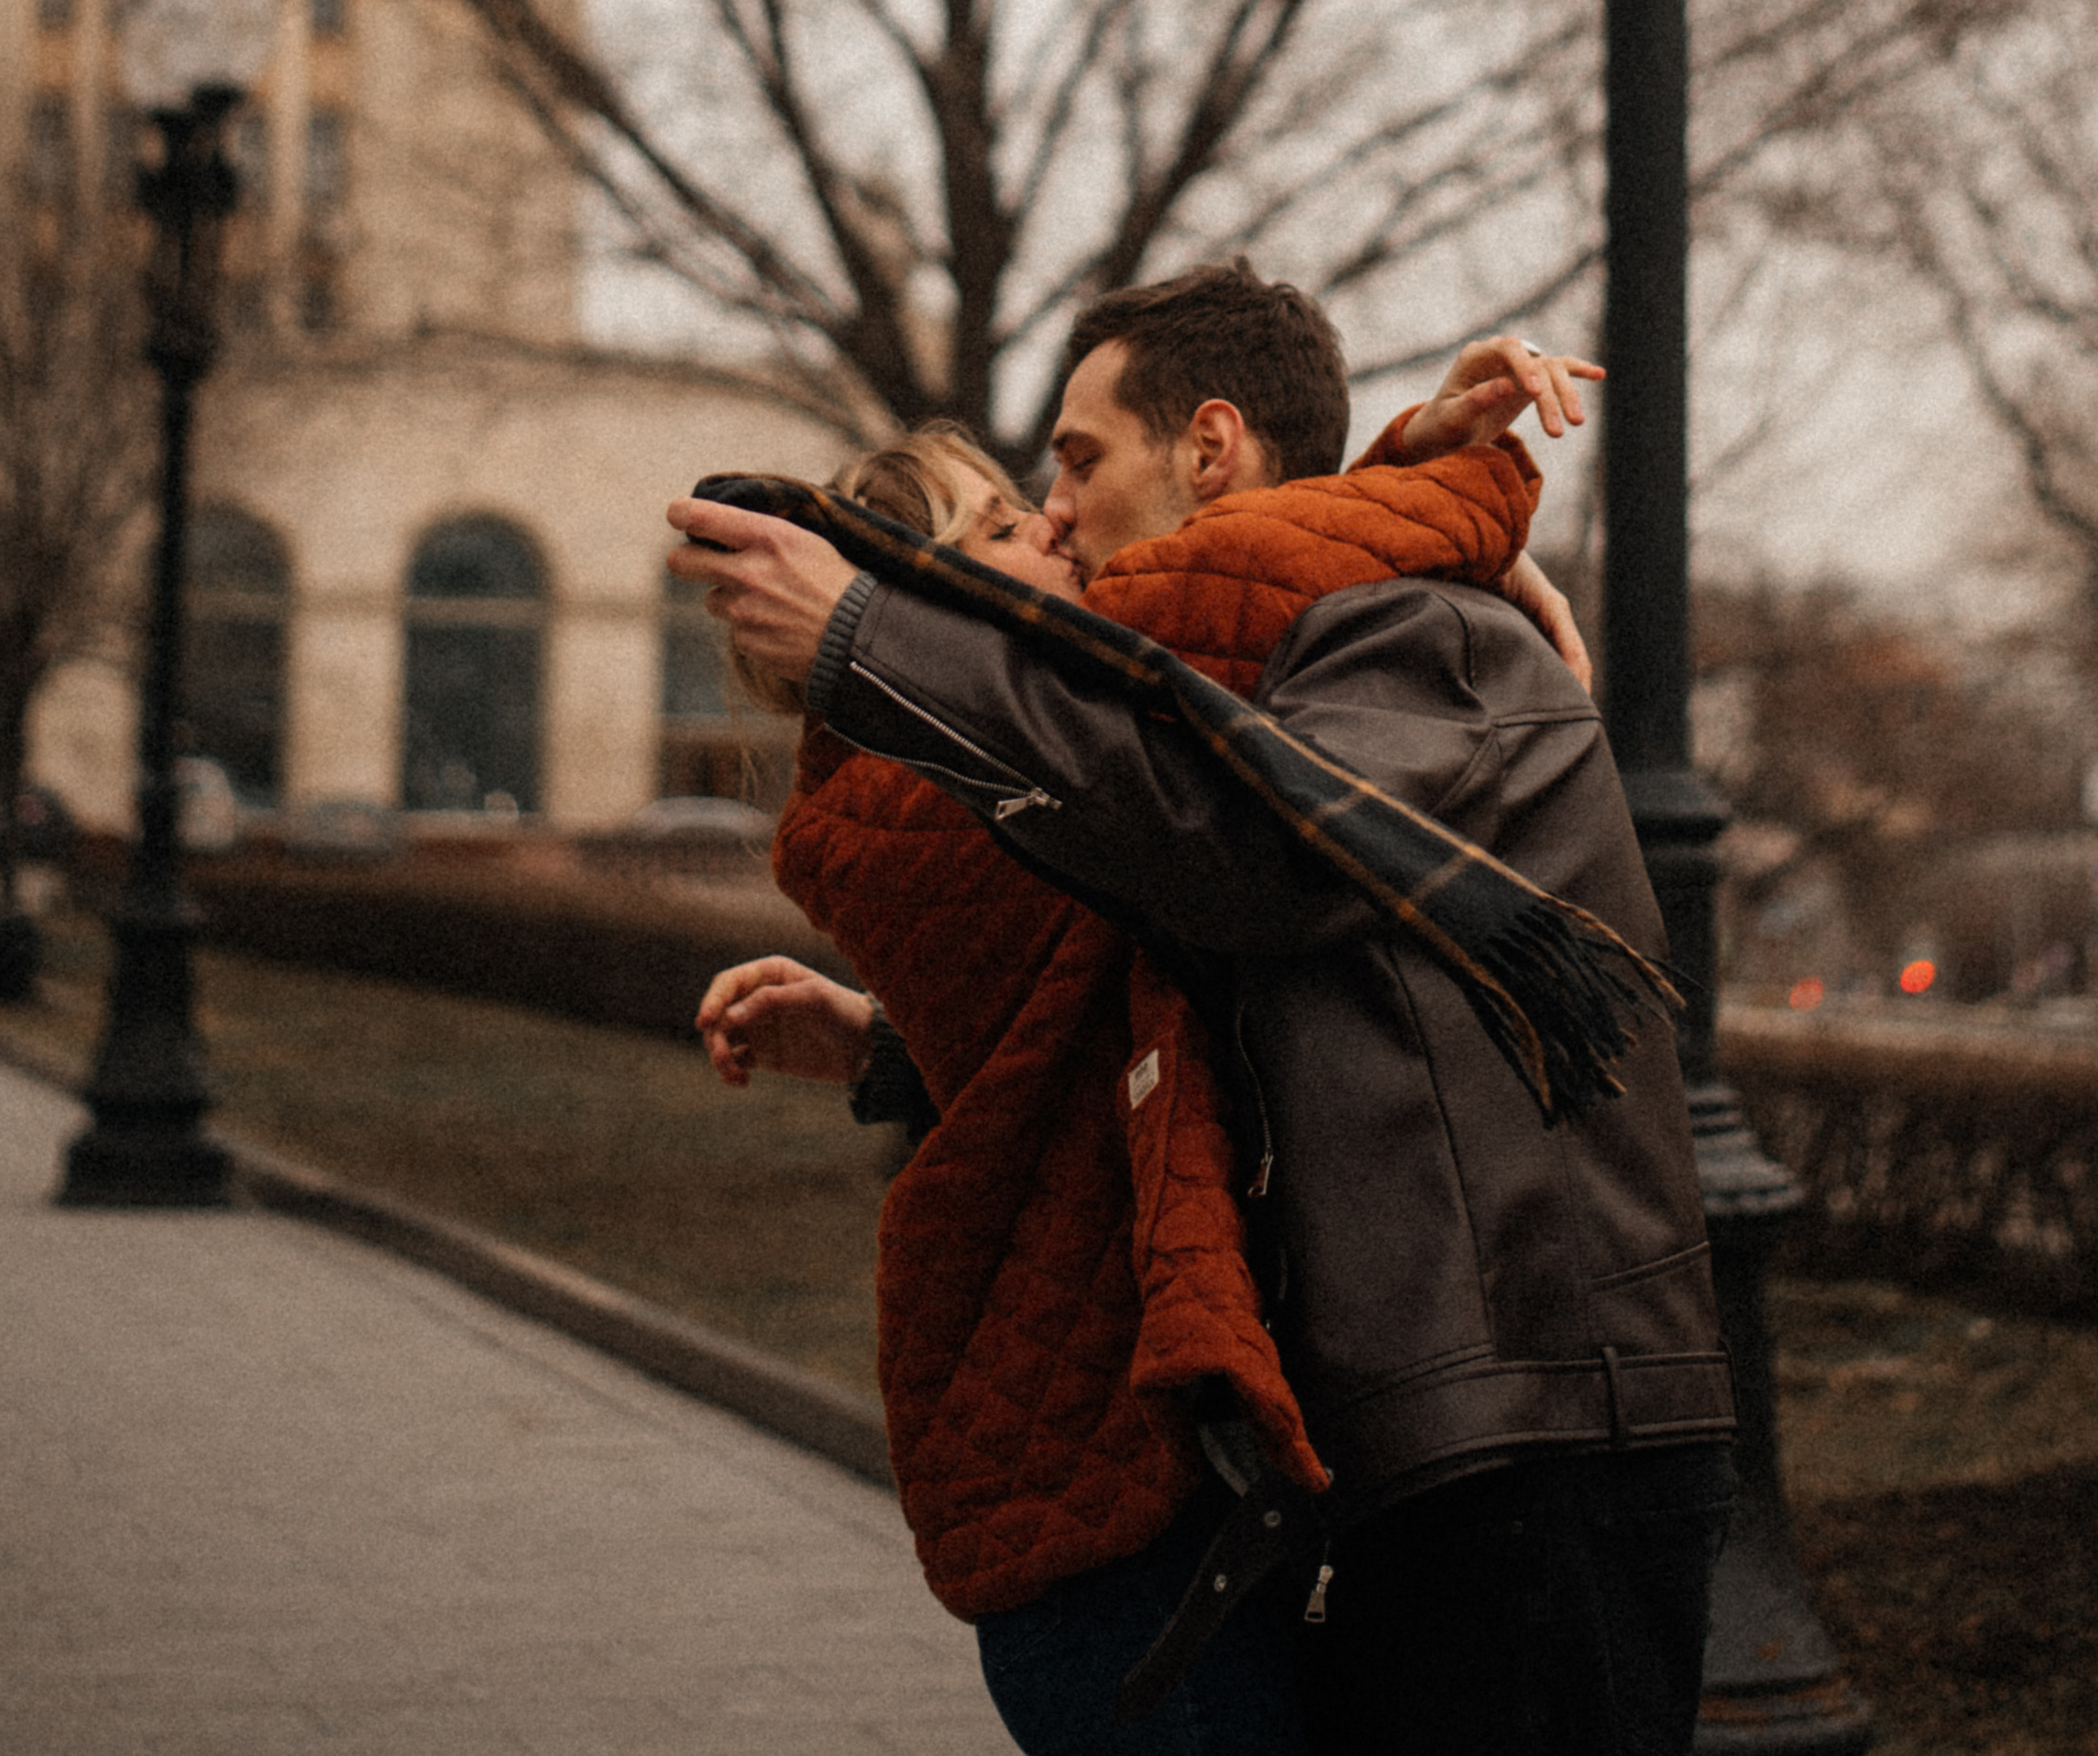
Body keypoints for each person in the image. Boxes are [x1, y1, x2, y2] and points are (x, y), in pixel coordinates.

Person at [675, 267, 1735, 1756]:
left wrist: (867, 633)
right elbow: (1176, 971)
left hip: (1535, 1426)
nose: (1053, 512)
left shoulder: (1406, 627)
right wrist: (891, 1045)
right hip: (1438, 1431)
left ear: (1212, 448)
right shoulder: (1319, 636)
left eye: (1077, 459)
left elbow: (1242, 854)